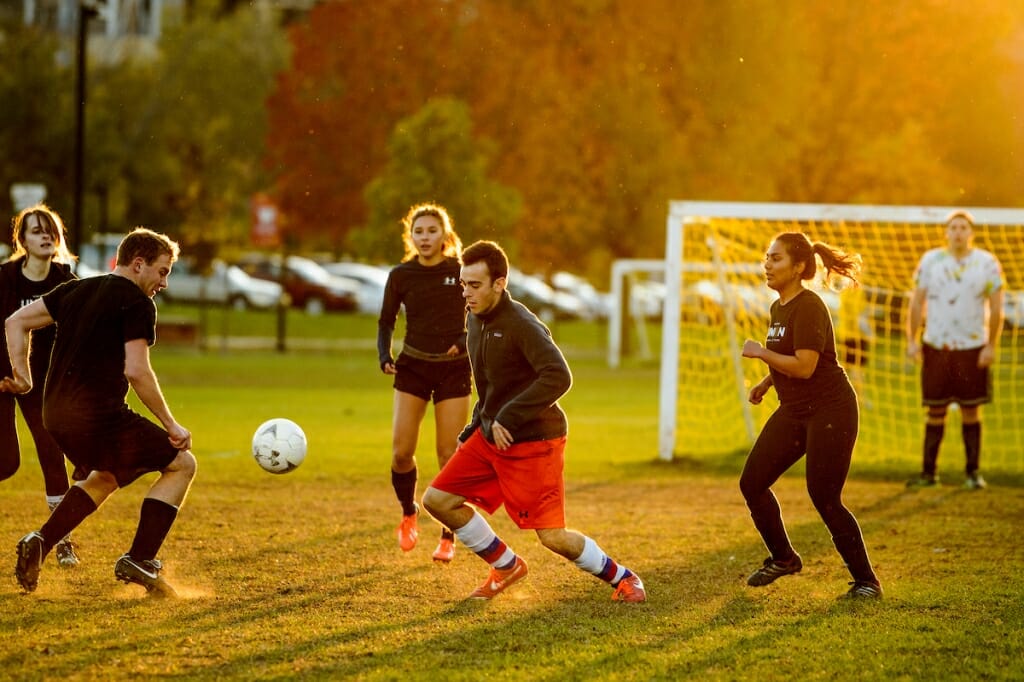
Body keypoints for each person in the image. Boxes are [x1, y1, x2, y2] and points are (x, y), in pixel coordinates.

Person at [422, 240, 646, 602]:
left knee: (553, 537)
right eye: (463, 284)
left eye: (475, 285)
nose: (467, 293)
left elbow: (558, 376)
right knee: (438, 500)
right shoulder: (475, 318)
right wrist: (475, 425)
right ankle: (507, 566)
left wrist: (508, 416)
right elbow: (492, 383)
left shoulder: (522, 324)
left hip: (535, 441)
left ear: (500, 283)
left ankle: (623, 577)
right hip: (491, 435)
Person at [4, 227, 196, 596]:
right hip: (98, 416)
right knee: (182, 464)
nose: (164, 282)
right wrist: (171, 424)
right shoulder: (137, 303)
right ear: (138, 264)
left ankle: (40, 542)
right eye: (163, 270)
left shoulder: (76, 289)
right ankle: (140, 559)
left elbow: (16, 321)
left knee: (106, 475)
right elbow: (137, 370)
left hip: (55, 415)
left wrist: (22, 376)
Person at [740, 232, 881, 599]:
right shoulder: (779, 308)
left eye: (776, 259)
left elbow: (805, 366)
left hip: (831, 410)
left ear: (799, 266)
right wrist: (767, 381)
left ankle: (867, 581)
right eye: (766, 257)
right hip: (796, 411)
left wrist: (761, 354)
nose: (767, 265)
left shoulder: (810, 305)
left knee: (824, 495)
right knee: (752, 482)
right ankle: (784, 558)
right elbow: (792, 354)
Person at [378, 203, 471, 562]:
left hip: (453, 368)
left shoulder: (460, 271)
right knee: (402, 452)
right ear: (411, 236)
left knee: (449, 455)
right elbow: (385, 321)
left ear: (445, 236)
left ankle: (449, 534)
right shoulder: (401, 274)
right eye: (419, 232)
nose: (425, 237)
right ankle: (408, 512)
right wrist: (384, 354)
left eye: (432, 231)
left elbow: (478, 312)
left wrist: (464, 341)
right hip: (413, 367)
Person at [0, 204, 79, 567]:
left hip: (41, 383)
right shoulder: (4, 279)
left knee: (52, 453)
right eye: (36, 230)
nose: (45, 235)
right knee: (6, 463)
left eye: (50, 229)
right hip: (2, 379)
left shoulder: (67, 282)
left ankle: (61, 540)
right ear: (22, 240)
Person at [905, 210, 1004, 490]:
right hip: (937, 345)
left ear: (971, 233)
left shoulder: (986, 263)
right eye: (954, 227)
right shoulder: (931, 261)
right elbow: (916, 302)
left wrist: (991, 345)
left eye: (963, 227)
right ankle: (928, 473)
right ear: (946, 232)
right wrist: (912, 340)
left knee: (971, 411)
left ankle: (973, 473)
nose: (958, 232)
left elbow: (997, 306)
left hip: (972, 347)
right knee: (935, 412)